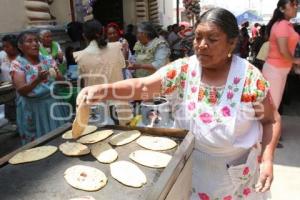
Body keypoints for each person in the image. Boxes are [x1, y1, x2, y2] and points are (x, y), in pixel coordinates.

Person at [77, 8, 281, 199]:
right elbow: (143, 86)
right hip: (190, 166)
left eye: (212, 39)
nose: (201, 45)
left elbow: (271, 120)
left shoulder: (248, 78)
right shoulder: (183, 70)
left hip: (235, 172)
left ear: (231, 43)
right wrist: (102, 91)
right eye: (198, 37)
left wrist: (267, 158)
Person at [11, 31, 68, 144]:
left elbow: (62, 81)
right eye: (29, 41)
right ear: (20, 46)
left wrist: (58, 75)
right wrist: (37, 80)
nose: (35, 44)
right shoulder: (18, 64)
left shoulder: (47, 59)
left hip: (53, 105)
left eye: (36, 41)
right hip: (33, 108)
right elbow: (22, 90)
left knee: (60, 139)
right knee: (40, 144)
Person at [73, 19, 131, 126]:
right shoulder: (116, 47)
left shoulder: (80, 56)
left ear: (84, 36)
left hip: (97, 107)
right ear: (103, 31)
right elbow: (122, 67)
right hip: (118, 103)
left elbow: (83, 83)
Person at [262, 0, 300, 110]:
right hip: (275, 69)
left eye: (297, 4)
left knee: (272, 105)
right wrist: (297, 61)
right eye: (292, 4)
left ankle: (269, 126)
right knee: (271, 106)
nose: (296, 7)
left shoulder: (286, 25)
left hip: (280, 69)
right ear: (282, 9)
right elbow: (283, 51)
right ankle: (267, 127)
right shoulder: (282, 24)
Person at [0, 34, 19, 122]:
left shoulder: (22, 56)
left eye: (7, 46)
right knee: (13, 117)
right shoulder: (2, 56)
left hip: (22, 91)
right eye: (3, 46)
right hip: (8, 92)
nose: (5, 49)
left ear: (15, 46)